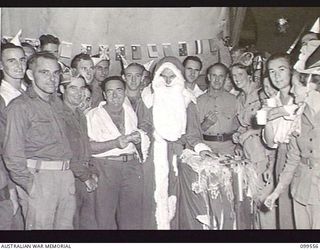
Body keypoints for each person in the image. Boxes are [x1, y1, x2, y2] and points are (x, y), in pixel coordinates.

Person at [139, 56, 214, 229]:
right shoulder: (148, 99)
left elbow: (193, 131)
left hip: (178, 155)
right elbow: (144, 125)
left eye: (171, 76)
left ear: (178, 76)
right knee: (153, 198)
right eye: (163, 76)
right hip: (153, 156)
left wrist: (201, 149)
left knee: (176, 198)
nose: (167, 80)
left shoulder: (187, 99)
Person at [3, 52, 75, 230]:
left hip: (65, 177)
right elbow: (12, 154)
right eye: (44, 72)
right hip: (39, 178)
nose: (52, 79)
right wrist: (31, 186)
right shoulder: (20, 106)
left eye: (56, 73)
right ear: (30, 75)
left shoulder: (57, 104)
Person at [179, 63, 238, 230]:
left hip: (228, 150)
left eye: (221, 76)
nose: (217, 79)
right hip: (206, 152)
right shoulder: (196, 102)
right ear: (208, 77)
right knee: (208, 198)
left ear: (226, 78)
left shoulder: (234, 100)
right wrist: (205, 124)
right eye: (214, 75)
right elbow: (192, 134)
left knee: (229, 195)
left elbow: (239, 127)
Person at [85, 76, 150, 229]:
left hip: (131, 167)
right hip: (105, 167)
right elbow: (87, 147)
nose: (115, 96)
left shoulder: (130, 112)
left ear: (125, 92)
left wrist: (139, 139)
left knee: (132, 219)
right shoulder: (92, 115)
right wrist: (114, 143)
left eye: (119, 91)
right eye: (110, 91)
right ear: (104, 95)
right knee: (104, 217)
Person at [231, 62, 276, 229]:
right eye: (234, 76)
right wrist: (238, 133)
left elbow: (271, 123)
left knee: (266, 202)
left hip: (263, 153)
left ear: (249, 75)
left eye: (240, 75)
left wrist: (250, 132)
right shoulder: (239, 98)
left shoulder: (261, 94)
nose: (237, 79)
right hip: (248, 155)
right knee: (254, 202)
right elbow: (243, 124)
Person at [59, 72, 99, 229]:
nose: (79, 93)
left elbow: (86, 148)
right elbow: (65, 152)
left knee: (87, 225)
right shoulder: (59, 115)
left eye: (82, 88)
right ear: (62, 89)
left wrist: (93, 172)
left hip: (83, 177)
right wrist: (85, 177)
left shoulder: (80, 115)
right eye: (72, 88)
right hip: (69, 178)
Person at [262, 53, 297, 229]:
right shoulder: (272, 101)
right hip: (281, 156)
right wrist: (267, 118)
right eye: (272, 71)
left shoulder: (301, 96)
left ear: (291, 70)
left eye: (281, 70)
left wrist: (283, 110)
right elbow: (270, 143)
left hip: (301, 156)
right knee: (284, 212)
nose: (276, 76)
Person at [0, 42, 27, 230]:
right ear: (1, 65)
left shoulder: (27, 92)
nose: (19, 65)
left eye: (22, 59)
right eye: (11, 61)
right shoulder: (3, 98)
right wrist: (11, 188)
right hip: (14, 175)